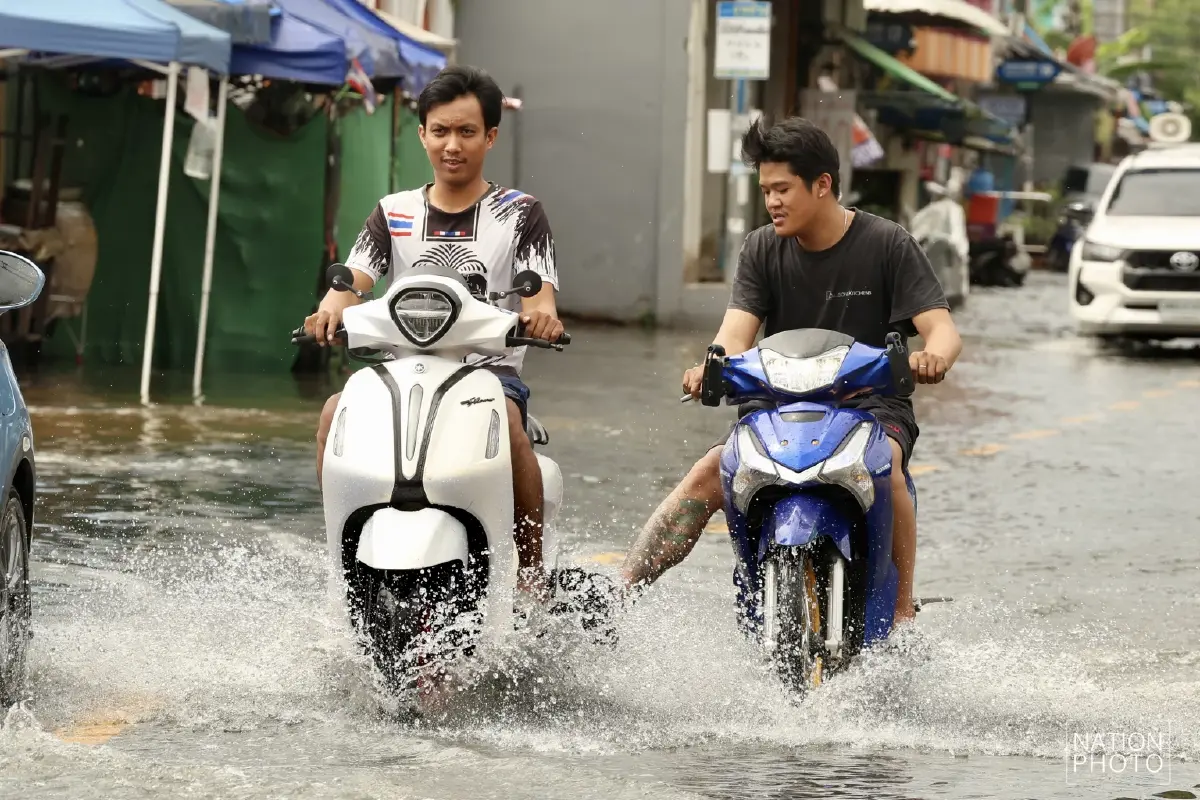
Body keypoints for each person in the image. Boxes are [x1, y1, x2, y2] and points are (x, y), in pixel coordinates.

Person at [619, 117, 962, 625]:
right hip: (779, 404)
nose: (772, 202)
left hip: (870, 405)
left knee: (885, 468)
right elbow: (734, 334)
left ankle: (901, 607)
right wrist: (709, 366)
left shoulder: (888, 243)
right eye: (765, 191)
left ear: (822, 184)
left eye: (782, 189)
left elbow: (944, 331)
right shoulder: (761, 247)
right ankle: (619, 593)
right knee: (709, 472)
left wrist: (932, 357)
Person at [305, 65, 563, 601]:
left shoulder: (521, 214)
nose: (452, 145)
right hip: (401, 372)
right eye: (440, 131)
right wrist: (328, 309)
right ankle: (338, 564)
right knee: (333, 413)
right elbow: (353, 278)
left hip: (488, 375)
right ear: (421, 134)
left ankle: (531, 575)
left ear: (490, 136)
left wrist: (542, 317)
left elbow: (539, 297)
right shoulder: (392, 213)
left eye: (467, 132)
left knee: (510, 425)